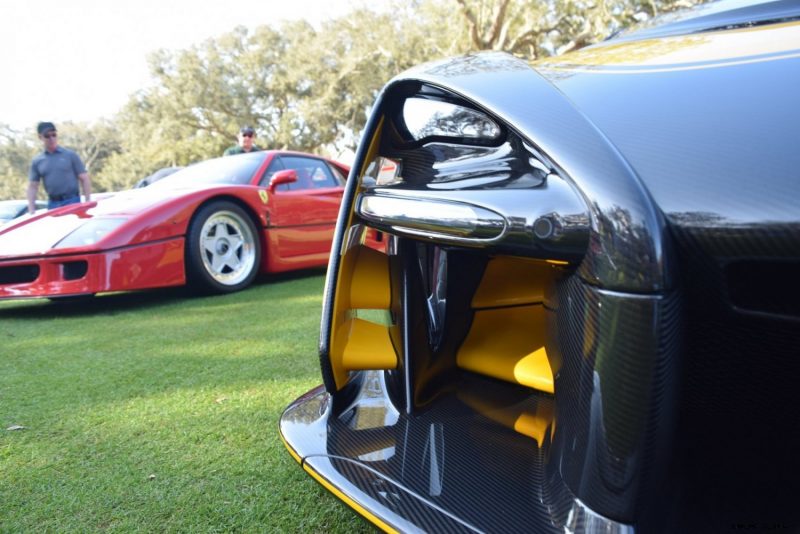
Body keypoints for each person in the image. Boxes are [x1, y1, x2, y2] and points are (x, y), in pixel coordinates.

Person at [28, 122, 91, 213]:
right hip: (53, 204)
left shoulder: (70, 155)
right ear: (40, 137)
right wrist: (31, 209)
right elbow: (33, 186)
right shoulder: (37, 161)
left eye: (54, 135)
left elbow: (84, 178)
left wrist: (87, 201)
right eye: (47, 136)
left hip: (72, 201)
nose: (51, 138)